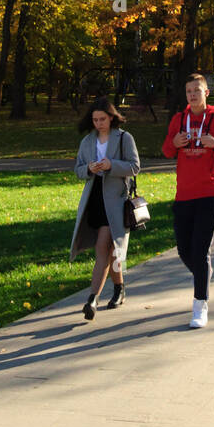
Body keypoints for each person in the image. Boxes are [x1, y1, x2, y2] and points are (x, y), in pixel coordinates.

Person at [161, 73, 214, 328]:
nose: (192, 95)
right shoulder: (179, 119)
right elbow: (166, 151)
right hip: (183, 193)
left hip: (210, 191)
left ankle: (199, 305)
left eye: (197, 90)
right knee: (184, 250)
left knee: (200, 250)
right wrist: (173, 142)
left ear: (206, 93)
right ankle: (203, 279)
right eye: (188, 92)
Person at [70, 97, 140, 320]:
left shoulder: (124, 138)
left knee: (105, 247)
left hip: (117, 200)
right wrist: (89, 169)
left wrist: (111, 166)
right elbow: (78, 169)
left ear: (111, 117)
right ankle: (119, 288)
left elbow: (135, 166)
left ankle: (92, 298)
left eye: (102, 119)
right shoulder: (88, 141)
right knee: (112, 252)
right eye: (95, 119)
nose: (98, 123)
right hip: (95, 199)